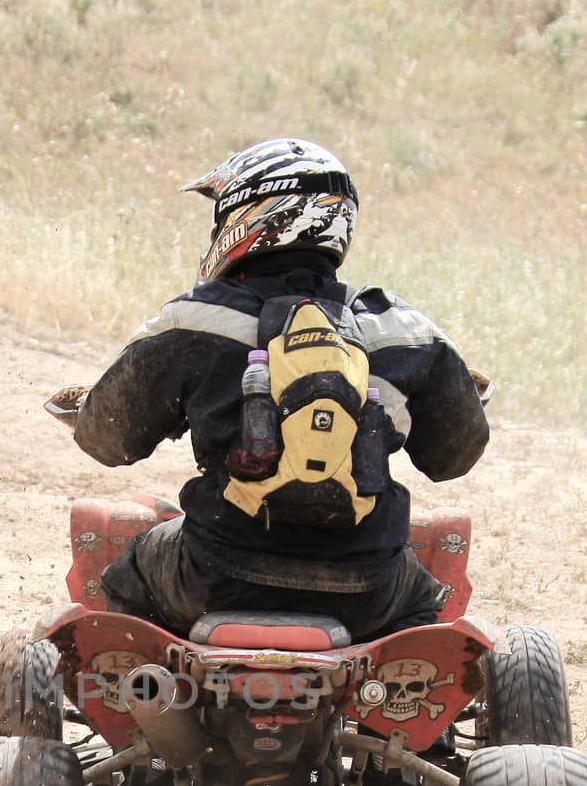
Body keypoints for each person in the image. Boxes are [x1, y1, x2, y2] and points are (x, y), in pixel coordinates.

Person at [52, 137, 489, 640]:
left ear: (251, 215)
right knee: (422, 608)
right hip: (370, 589)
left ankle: (146, 693)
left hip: (212, 574)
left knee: (129, 573)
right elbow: (453, 457)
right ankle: (394, 706)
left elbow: (107, 440)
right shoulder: (402, 329)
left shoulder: (196, 321)